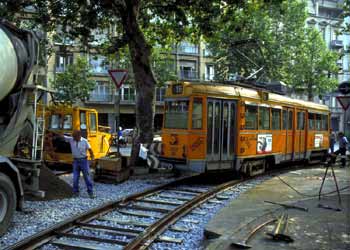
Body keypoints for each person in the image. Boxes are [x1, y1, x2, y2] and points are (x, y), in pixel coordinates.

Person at [50, 130, 95, 198]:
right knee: (75, 178)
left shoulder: (85, 141)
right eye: (73, 137)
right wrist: (55, 132)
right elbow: (63, 137)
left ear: (79, 136)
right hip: (75, 161)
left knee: (87, 177)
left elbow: (90, 150)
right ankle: (75, 192)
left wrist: (92, 158)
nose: (73, 138)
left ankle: (90, 192)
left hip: (84, 161)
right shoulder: (71, 139)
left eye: (74, 137)